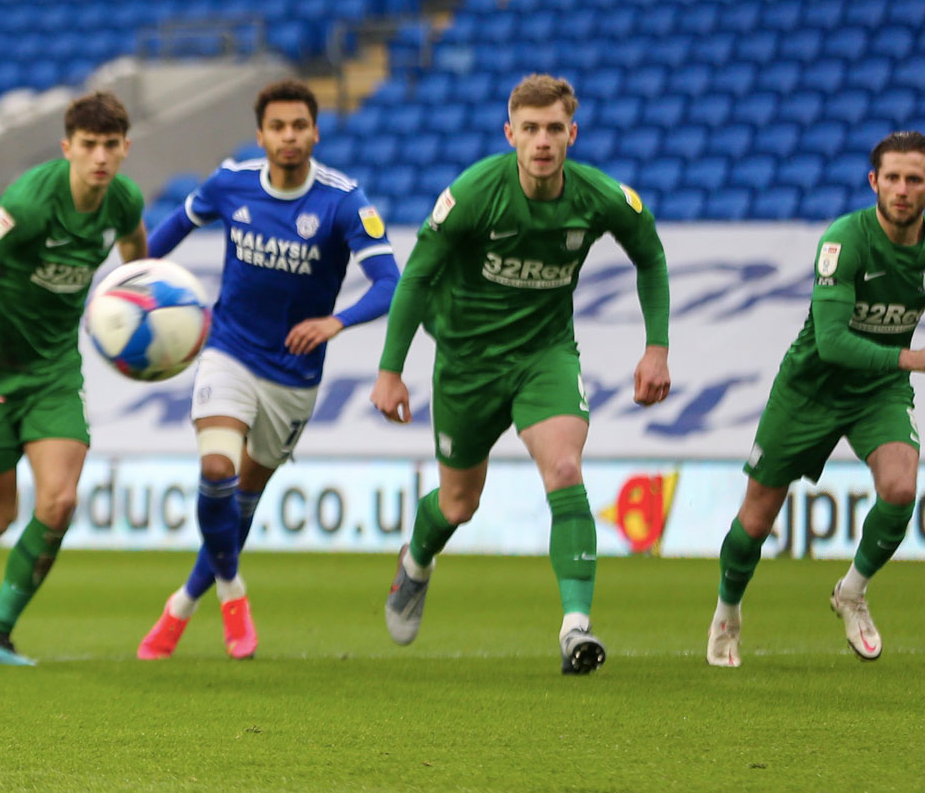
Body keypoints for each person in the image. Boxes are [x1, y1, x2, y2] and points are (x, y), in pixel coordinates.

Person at [370, 74, 671, 674]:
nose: (542, 141)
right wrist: (390, 370)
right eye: (529, 129)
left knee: (564, 467)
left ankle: (576, 628)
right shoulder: (475, 192)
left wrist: (656, 347)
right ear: (510, 134)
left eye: (554, 129)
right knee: (458, 504)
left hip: (545, 356)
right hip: (466, 363)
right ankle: (416, 564)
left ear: (572, 134)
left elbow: (650, 254)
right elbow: (417, 276)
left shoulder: (601, 196)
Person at [134, 79, 400, 660]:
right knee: (215, 472)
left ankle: (181, 604)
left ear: (315, 132)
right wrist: (127, 284)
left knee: (242, 503)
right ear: (261, 135)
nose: (289, 137)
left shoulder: (342, 200)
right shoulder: (231, 181)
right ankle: (233, 592)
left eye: (299, 126)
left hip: (293, 378)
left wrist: (338, 321)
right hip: (229, 349)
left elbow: (391, 284)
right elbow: (170, 233)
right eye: (277, 127)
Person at [0, 91, 147, 666]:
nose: (99, 157)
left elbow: (138, 262)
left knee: (59, 501)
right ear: (68, 147)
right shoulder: (28, 204)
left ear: (125, 149)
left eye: (110, 146)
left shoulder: (124, 201)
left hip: (53, 373)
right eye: (88, 146)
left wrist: (143, 323)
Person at [709, 131, 925, 667]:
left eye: (915, 179)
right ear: (874, 182)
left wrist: (896, 368)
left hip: (877, 392)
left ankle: (851, 592)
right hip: (810, 388)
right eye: (893, 177)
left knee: (901, 487)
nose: (902, 189)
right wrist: (908, 358)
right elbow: (832, 342)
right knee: (757, 520)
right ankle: (727, 612)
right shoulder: (845, 240)